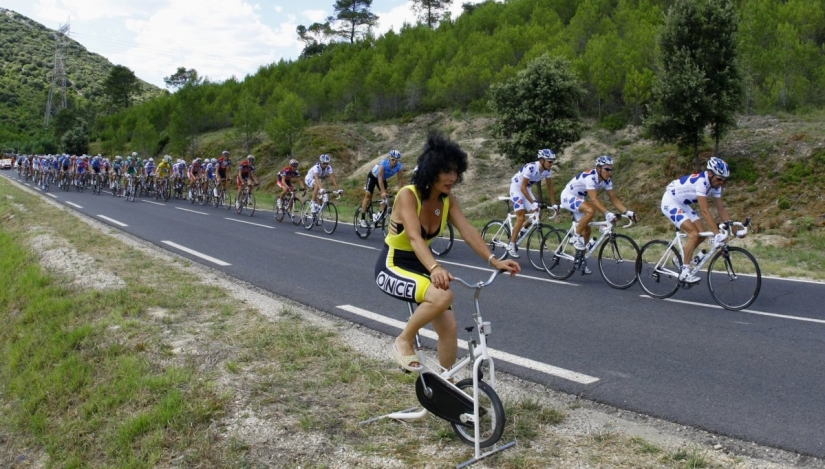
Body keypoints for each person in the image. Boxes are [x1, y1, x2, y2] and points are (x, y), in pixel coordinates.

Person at [375, 131, 521, 372]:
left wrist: (494, 261)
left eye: (455, 171)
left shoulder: (447, 200)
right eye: (446, 171)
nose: (452, 177)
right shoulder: (407, 195)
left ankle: (447, 382)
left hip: (424, 265)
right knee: (443, 297)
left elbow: (468, 231)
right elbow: (413, 236)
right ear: (431, 171)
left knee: (450, 327)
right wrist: (435, 267)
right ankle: (403, 340)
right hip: (393, 264)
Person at [661, 156, 734, 284]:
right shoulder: (701, 182)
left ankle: (680, 260)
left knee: (701, 234)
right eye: (719, 179)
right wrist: (717, 234)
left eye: (724, 180)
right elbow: (705, 211)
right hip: (670, 201)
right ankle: (684, 272)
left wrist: (734, 229)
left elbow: (721, 209)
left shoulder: (716, 185)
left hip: (683, 204)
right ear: (710, 173)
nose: (721, 182)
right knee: (693, 234)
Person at [560, 155, 637, 264]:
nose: (609, 172)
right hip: (567, 196)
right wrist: (607, 213)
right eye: (607, 169)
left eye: (611, 169)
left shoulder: (607, 180)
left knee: (587, 230)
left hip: (579, 198)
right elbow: (594, 199)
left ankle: (580, 258)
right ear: (598, 169)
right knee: (591, 210)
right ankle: (575, 238)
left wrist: (627, 212)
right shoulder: (591, 177)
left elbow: (613, 199)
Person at [506, 149, 560, 258]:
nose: (551, 164)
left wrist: (554, 203)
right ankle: (511, 244)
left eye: (552, 161)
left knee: (536, 214)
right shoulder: (531, 167)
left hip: (526, 189)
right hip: (517, 188)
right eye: (549, 161)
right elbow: (522, 187)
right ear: (541, 160)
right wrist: (533, 201)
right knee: (520, 217)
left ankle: (521, 231)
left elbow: (550, 187)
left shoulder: (547, 170)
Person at [359, 149, 405, 228]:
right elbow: (379, 178)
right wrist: (382, 192)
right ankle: (362, 219)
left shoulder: (399, 166)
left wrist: (400, 192)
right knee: (368, 196)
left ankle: (379, 215)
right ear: (389, 158)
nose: (394, 162)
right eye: (393, 159)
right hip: (373, 176)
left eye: (396, 160)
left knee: (386, 197)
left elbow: (400, 180)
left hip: (382, 179)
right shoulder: (384, 163)